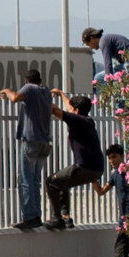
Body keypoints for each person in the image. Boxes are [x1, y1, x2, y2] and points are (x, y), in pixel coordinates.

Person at [0, 68, 54, 231]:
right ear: (40, 80)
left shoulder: (29, 89)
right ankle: (36, 215)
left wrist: (6, 90)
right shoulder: (46, 92)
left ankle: (29, 217)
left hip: (31, 140)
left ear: (26, 81)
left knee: (25, 180)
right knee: (35, 180)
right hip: (45, 141)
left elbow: (15, 98)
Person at [43, 89, 106, 231]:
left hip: (84, 168)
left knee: (50, 182)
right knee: (62, 182)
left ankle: (56, 218)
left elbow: (56, 111)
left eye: (72, 109)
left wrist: (42, 97)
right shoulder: (86, 120)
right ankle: (66, 217)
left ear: (76, 110)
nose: (70, 109)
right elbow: (69, 108)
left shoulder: (76, 120)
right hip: (97, 169)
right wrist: (60, 93)